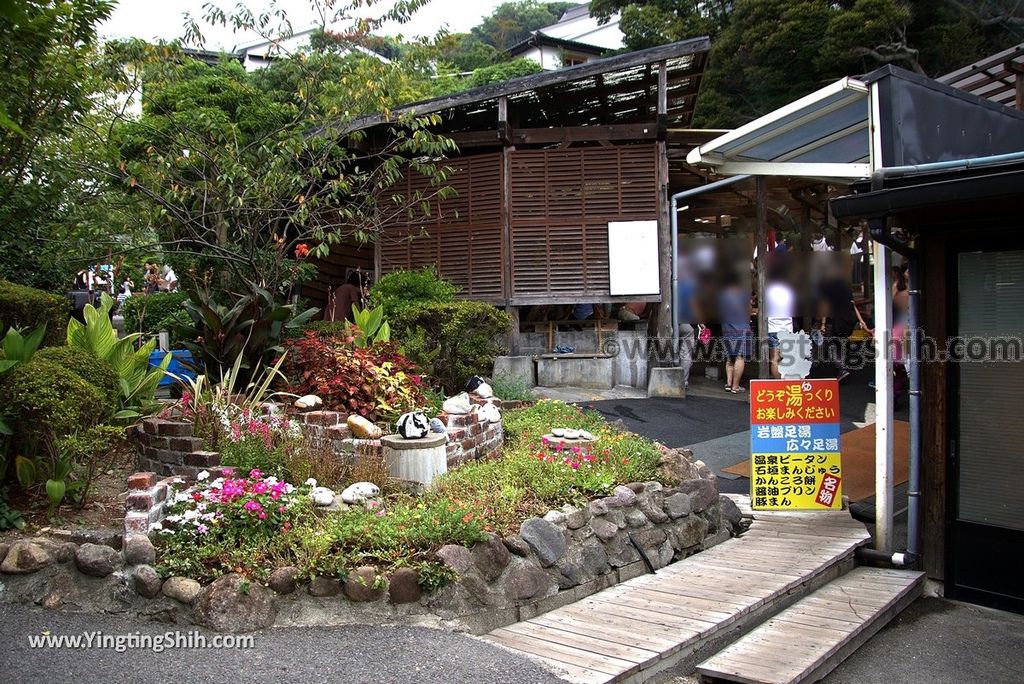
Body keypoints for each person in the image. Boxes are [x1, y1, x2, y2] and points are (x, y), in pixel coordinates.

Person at [817, 260, 868, 382]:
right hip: (847, 320)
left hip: (833, 320)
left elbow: (825, 306)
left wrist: (823, 324)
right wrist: (861, 321)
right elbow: (852, 304)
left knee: (830, 346)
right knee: (841, 344)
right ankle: (841, 370)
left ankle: (842, 369)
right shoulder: (845, 285)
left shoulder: (826, 286)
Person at [718, 269, 752, 394]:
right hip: (741, 328)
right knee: (739, 357)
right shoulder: (743, 294)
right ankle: (735, 386)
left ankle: (728, 383)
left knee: (729, 357)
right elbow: (748, 310)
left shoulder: (721, 295)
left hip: (726, 328)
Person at [765, 264, 795, 379]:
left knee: (774, 359)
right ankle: (786, 382)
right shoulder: (789, 292)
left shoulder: (768, 292)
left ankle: (778, 382)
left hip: (773, 328)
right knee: (788, 359)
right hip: (787, 328)